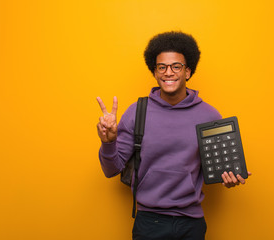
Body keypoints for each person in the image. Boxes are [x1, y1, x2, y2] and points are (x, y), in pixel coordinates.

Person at [96, 31, 251, 240]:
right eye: (162, 67)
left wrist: (229, 177)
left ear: (187, 71)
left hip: (192, 223)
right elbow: (111, 170)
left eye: (176, 66)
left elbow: (217, 167)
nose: (168, 72)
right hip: (149, 222)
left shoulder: (209, 115)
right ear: (155, 72)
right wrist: (108, 142)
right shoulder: (136, 112)